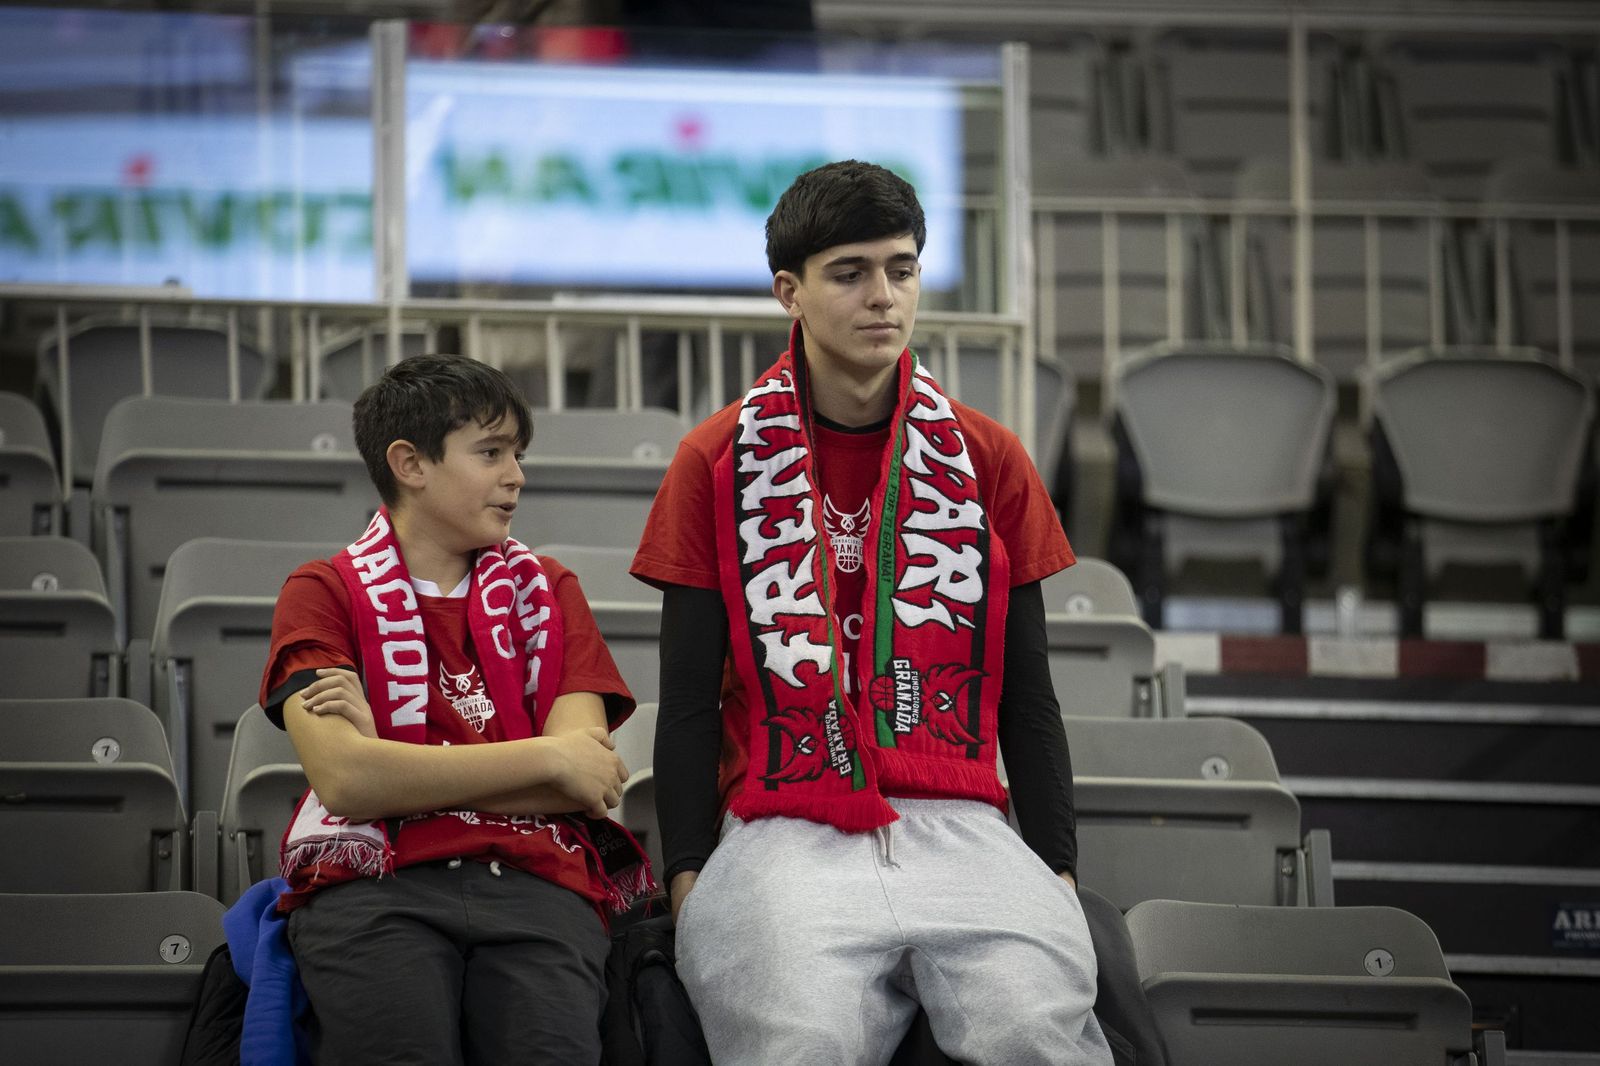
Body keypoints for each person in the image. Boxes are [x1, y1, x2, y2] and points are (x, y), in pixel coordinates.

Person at [630, 160, 1112, 1064]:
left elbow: (1028, 695)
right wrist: (688, 875)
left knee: (1033, 1036)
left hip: (960, 819)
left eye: (902, 269)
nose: (883, 296)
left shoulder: (989, 455)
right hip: (783, 825)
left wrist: (1055, 868)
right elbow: (688, 699)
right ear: (790, 292)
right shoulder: (714, 458)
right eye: (850, 273)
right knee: (799, 1045)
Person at [258, 353, 652, 1065]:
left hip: (538, 888)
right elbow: (346, 782)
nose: (517, 476)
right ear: (410, 463)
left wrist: (395, 766)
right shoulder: (319, 592)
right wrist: (545, 756)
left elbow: (589, 782)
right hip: (377, 891)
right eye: (491, 453)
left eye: (518, 455)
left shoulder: (550, 589)